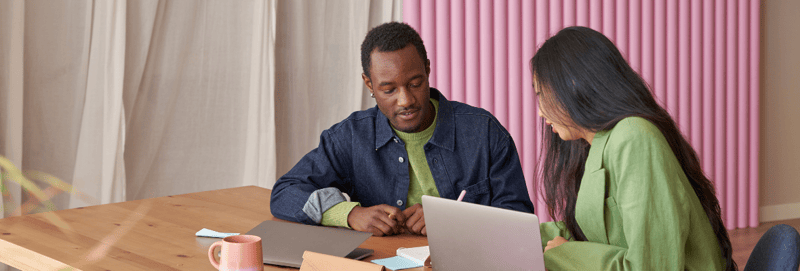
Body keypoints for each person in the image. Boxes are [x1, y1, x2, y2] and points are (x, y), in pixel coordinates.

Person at [270, 22, 534, 237]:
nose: (405, 100)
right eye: (389, 90)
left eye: (415, 83)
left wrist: (451, 222)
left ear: (428, 70)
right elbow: (285, 193)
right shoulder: (352, 136)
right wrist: (349, 214)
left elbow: (519, 220)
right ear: (369, 84)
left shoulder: (483, 132)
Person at [530, 26, 735, 270]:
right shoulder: (599, 143)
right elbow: (588, 228)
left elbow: (652, 267)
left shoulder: (633, 137)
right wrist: (521, 236)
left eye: (542, 94)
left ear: (573, 83)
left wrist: (565, 254)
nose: (541, 112)